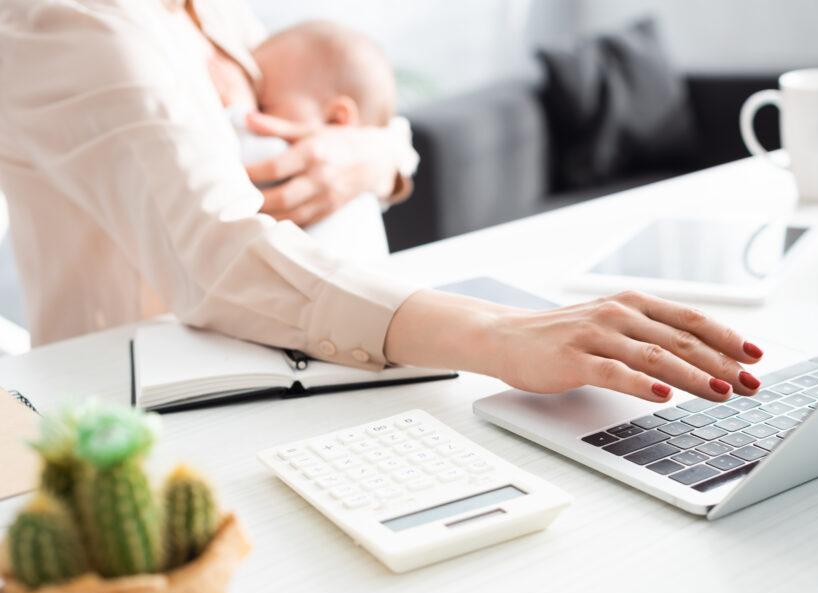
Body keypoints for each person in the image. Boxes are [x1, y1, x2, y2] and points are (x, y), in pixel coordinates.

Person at [0, 0, 765, 406]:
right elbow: (221, 257)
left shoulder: (207, 11)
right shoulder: (67, 24)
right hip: (132, 410)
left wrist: (376, 151)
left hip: (290, 364)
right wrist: (501, 336)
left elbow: (334, 107)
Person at [229, 21, 405, 260]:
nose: (253, 115)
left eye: (264, 104)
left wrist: (233, 112)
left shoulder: (285, 157)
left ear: (335, 120)